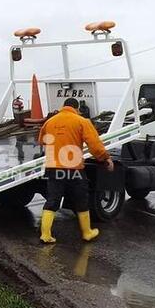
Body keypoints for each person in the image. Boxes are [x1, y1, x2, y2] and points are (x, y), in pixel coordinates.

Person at [37, 97, 114, 243]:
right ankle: (87, 232)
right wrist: (105, 158)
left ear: (63, 106)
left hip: (54, 167)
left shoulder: (50, 122)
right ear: (77, 108)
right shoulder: (81, 121)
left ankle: (45, 234)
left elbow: (42, 140)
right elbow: (95, 145)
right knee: (81, 199)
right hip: (74, 169)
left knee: (53, 200)